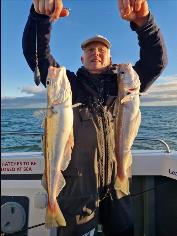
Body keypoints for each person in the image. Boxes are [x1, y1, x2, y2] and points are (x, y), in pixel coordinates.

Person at [22, 0, 167, 235]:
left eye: (101, 50)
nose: (95, 53)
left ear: (110, 58)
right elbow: (36, 55)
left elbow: (156, 60)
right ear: (81, 59)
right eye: (89, 50)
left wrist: (144, 22)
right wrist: (39, 18)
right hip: (76, 188)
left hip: (117, 184)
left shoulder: (123, 84)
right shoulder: (69, 85)